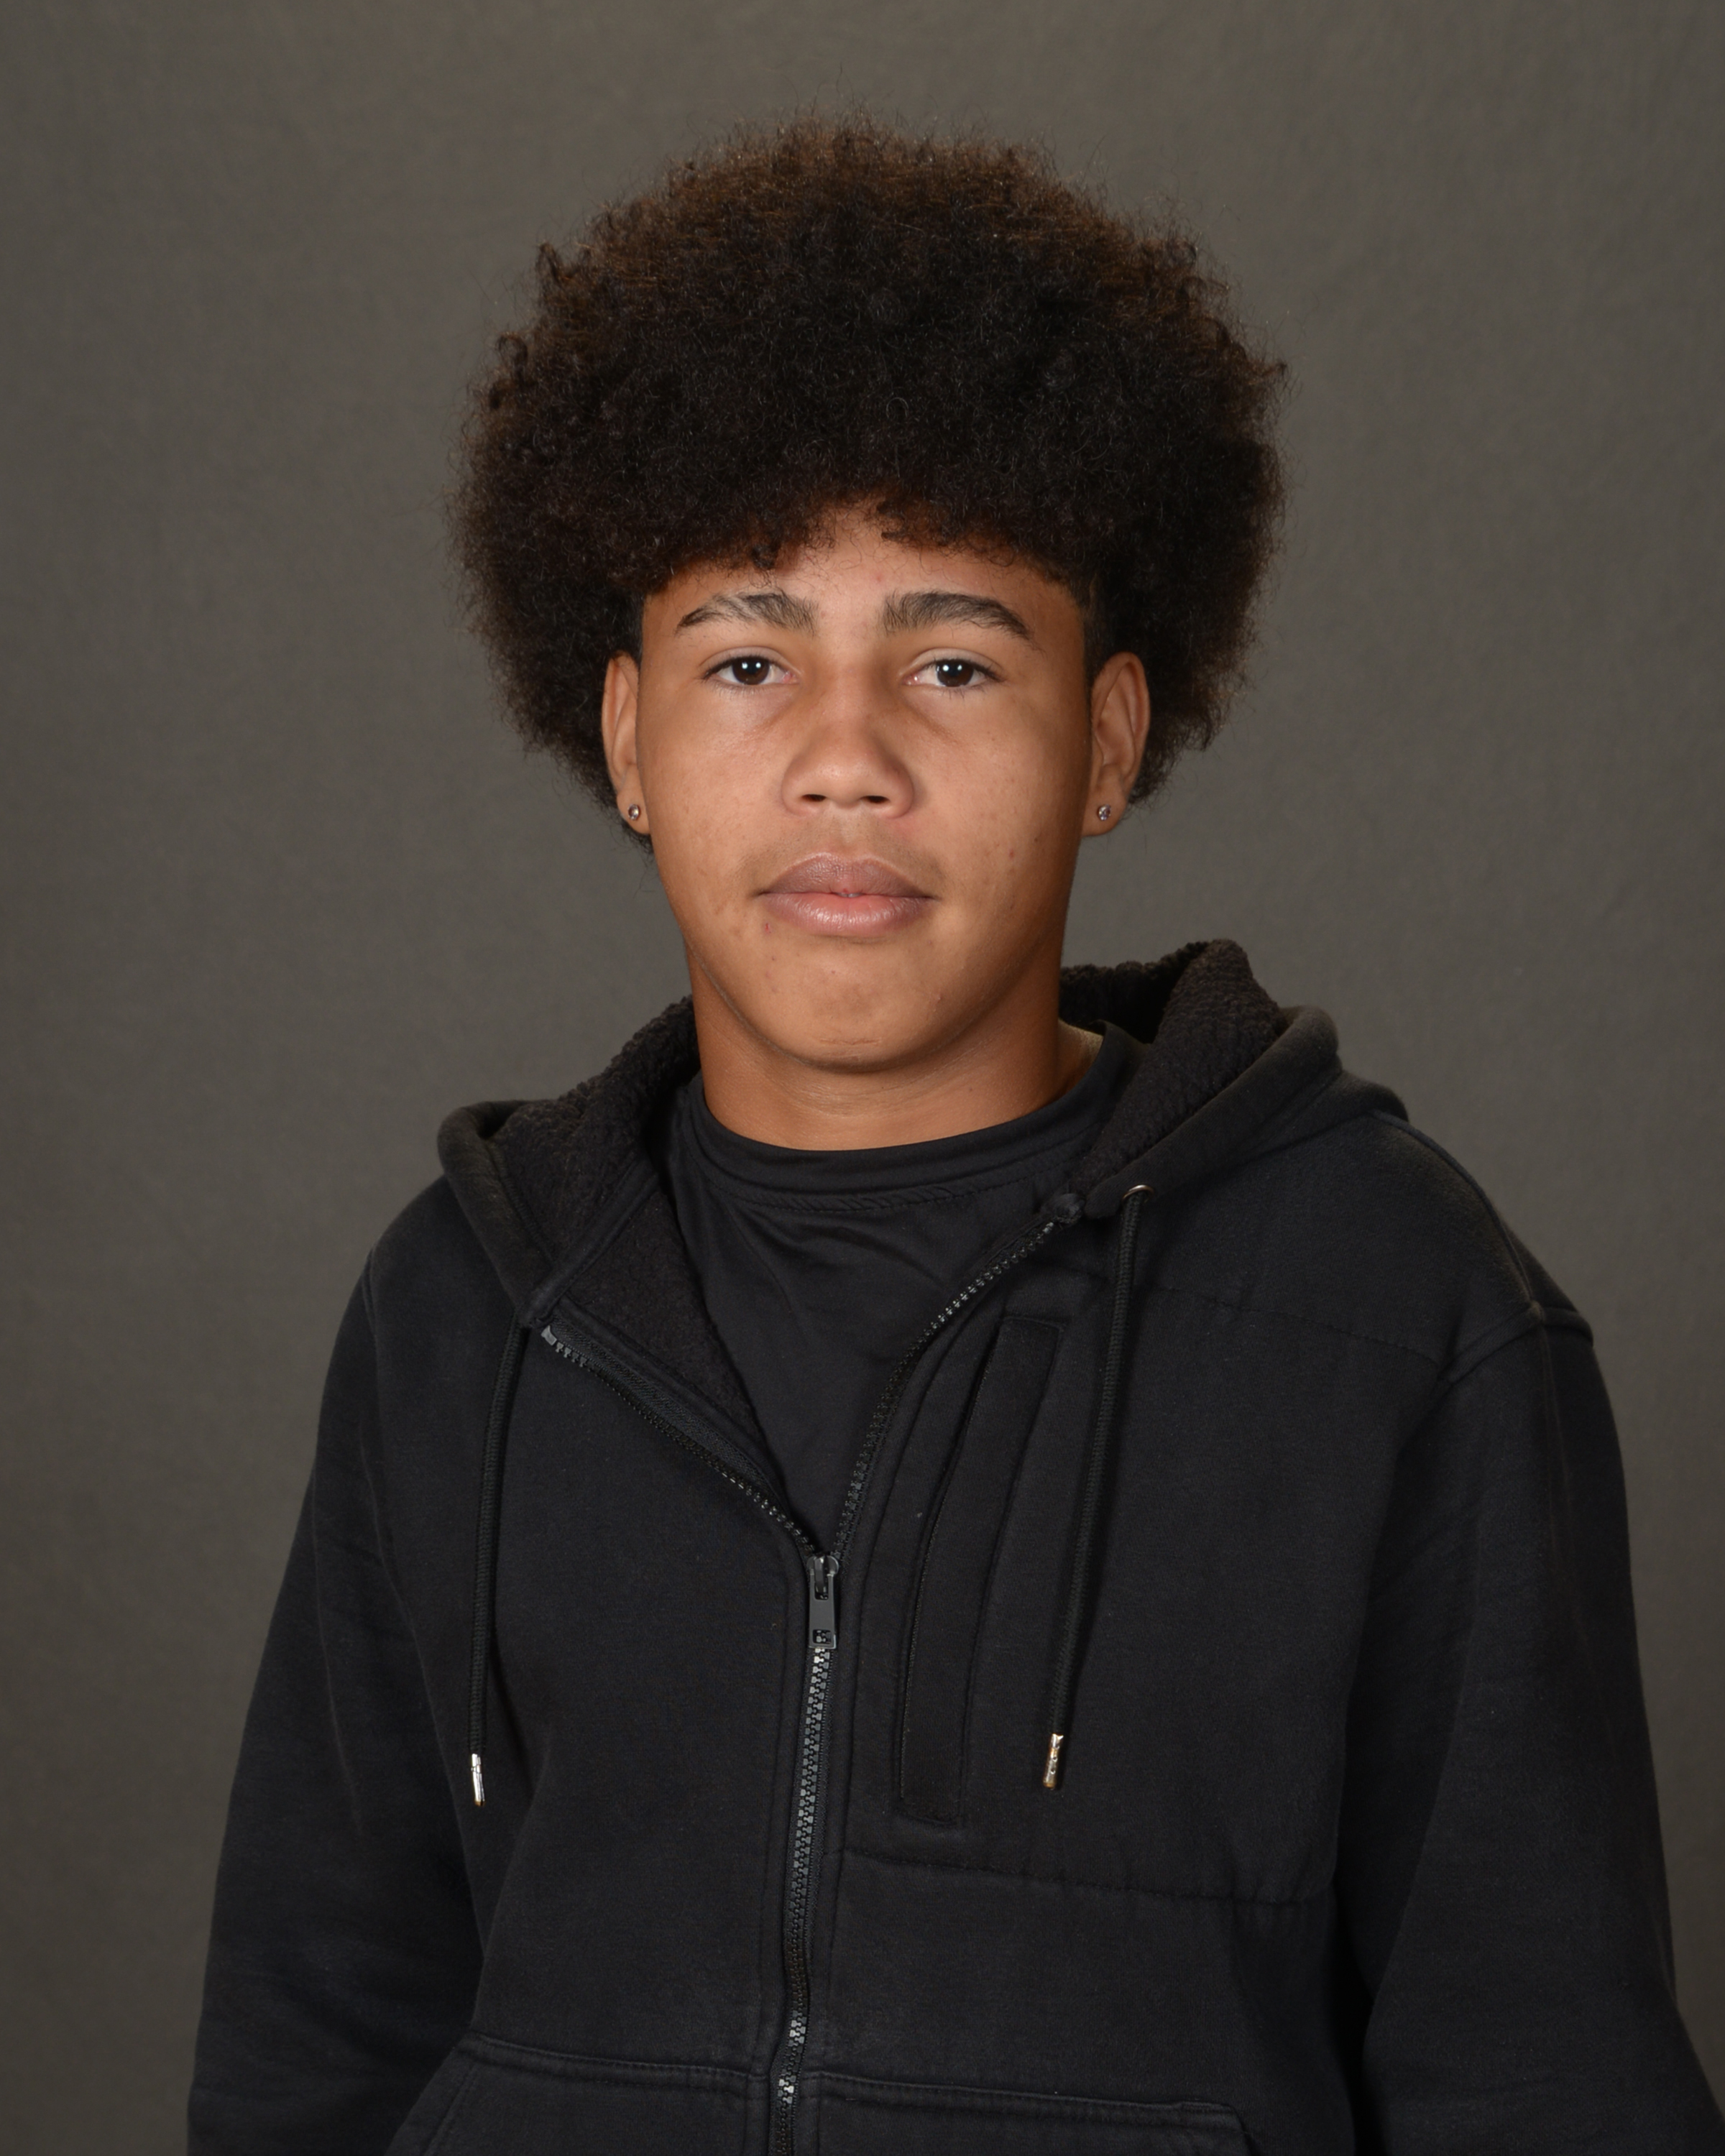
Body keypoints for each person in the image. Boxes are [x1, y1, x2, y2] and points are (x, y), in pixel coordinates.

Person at [188, 119, 1724, 2155]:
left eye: (953, 661)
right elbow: (316, 2045)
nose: (847, 759)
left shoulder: (1404, 1319)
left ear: (1106, 737)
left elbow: (1543, 2085)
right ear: (630, 736)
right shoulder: (468, 1312)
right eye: (750, 660)